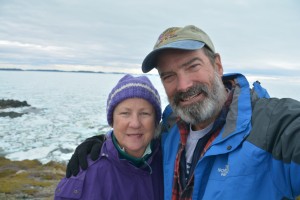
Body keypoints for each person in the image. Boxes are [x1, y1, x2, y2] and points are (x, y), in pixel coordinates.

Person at [65, 25, 300, 199]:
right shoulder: (170, 124)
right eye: (169, 76)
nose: (184, 85)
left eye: (192, 66)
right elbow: (138, 140)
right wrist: (106, 144)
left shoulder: (272, 127)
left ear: (217, 65)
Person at [55, 74, 164, 200]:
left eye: (144, 113)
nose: (135, 123)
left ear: (156, 121)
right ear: (112, 120)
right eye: (125, 113)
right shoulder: (84, 176)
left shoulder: (171, 163)